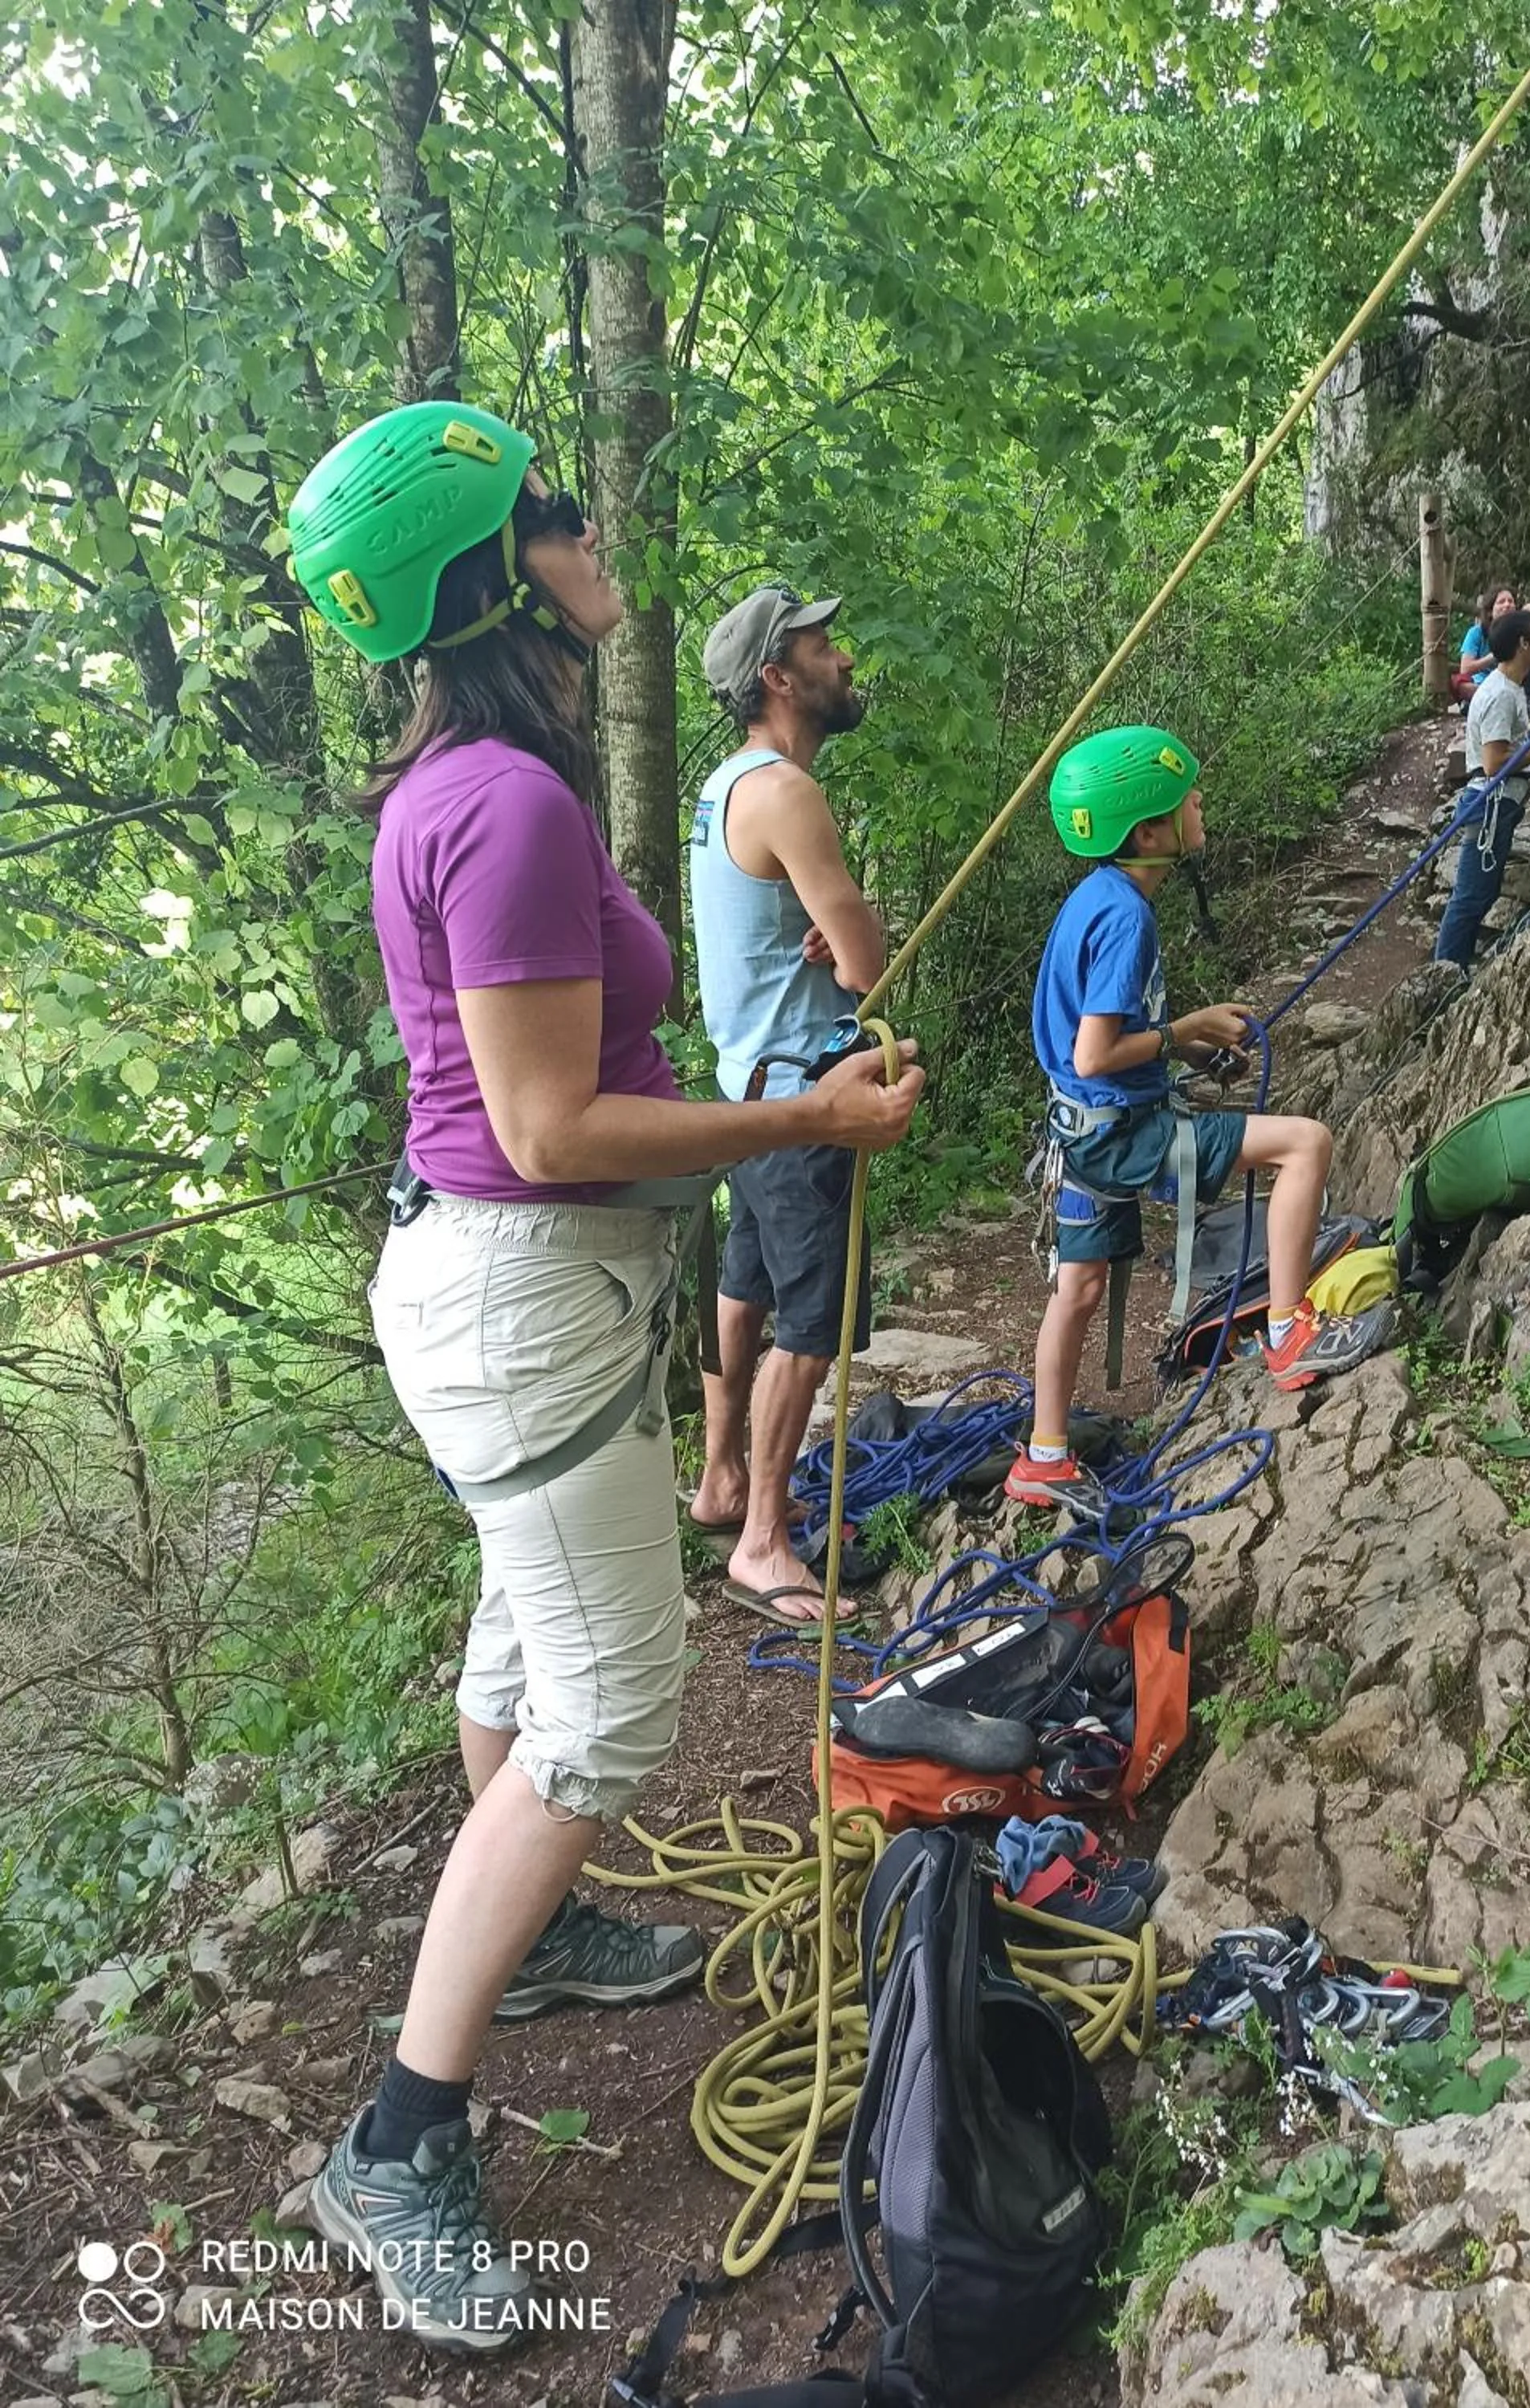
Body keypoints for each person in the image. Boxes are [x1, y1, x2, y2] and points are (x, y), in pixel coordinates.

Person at [283, 402, 922, 2351]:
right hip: (522, 1291)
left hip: (514, 1290)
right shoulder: (507, 804)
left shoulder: (468, 787)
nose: (590, 533)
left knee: (523, 1628)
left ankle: (537, 1927)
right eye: (553, 514)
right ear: (498, 575)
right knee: (614, 1707)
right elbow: (551, 1126)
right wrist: (803, 1114)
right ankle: (399, 2137)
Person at [1003, 726, 1392, 1508]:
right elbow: (1094, 1052)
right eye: (1185, 798)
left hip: (1079, 1137)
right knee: (1305, 1144)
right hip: (1122, 1134)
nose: (1199, 803)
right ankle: (1289, 1332)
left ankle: (1042, 1458)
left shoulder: (1095, 898)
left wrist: (1185, 1049)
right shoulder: (1127, 919)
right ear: (1148, 832)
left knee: (1077, 1289)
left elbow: (1095, 1044)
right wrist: (1183, 1030)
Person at [686, 584, 885, 1624]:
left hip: (747, 1090)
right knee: (811, 1323)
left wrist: (827, 933)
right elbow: (866, 969)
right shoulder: (787, 793)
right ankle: (763, 1542)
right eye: (821, 646)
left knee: (747, 1287)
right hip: (806, 1100)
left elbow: (775, 934)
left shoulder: (724, 788)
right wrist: (861, 929)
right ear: (777, 677)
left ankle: (722, 1480)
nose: (841, 659)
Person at [1434, 604, 1530, 972]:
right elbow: (1494, 763)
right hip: (1490, 804)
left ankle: (1454, 968)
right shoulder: (1500, 695)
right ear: (1522, 644)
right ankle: (1444, 973)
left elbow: (1506, 744)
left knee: (1480, 893)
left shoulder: (1509, 688)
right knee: (1472, 896)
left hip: (1495, 805)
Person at [1453, 584, 1512, 705]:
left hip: (1510, 685)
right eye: (1501, 602)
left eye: (1511, 601)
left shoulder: (1520, 633)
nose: (1507, 605)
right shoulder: (1477, 633)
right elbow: (1465, 669)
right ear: (1490, 611)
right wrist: (1494, 656)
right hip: (1479, 684)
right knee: (1460, 683)